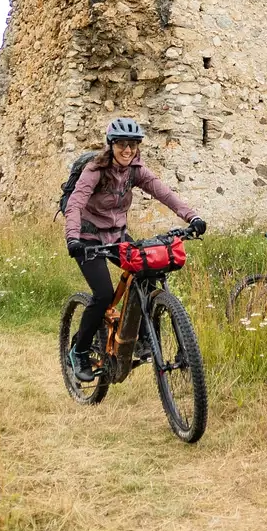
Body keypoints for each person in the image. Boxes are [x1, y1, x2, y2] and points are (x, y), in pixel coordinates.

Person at [63, 117, 205, 381]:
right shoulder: (95, 170)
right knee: (103, 294)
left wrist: (192, 217)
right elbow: (75, 203)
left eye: (133, 145)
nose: (128, 150)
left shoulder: (136, 170)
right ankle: (79, 351)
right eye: (121, 144)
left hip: (118, 237)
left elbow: (164, 193)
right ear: (111, 145)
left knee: (148, 274)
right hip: (88, 238)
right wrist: (73, 239)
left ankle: (140, 339)